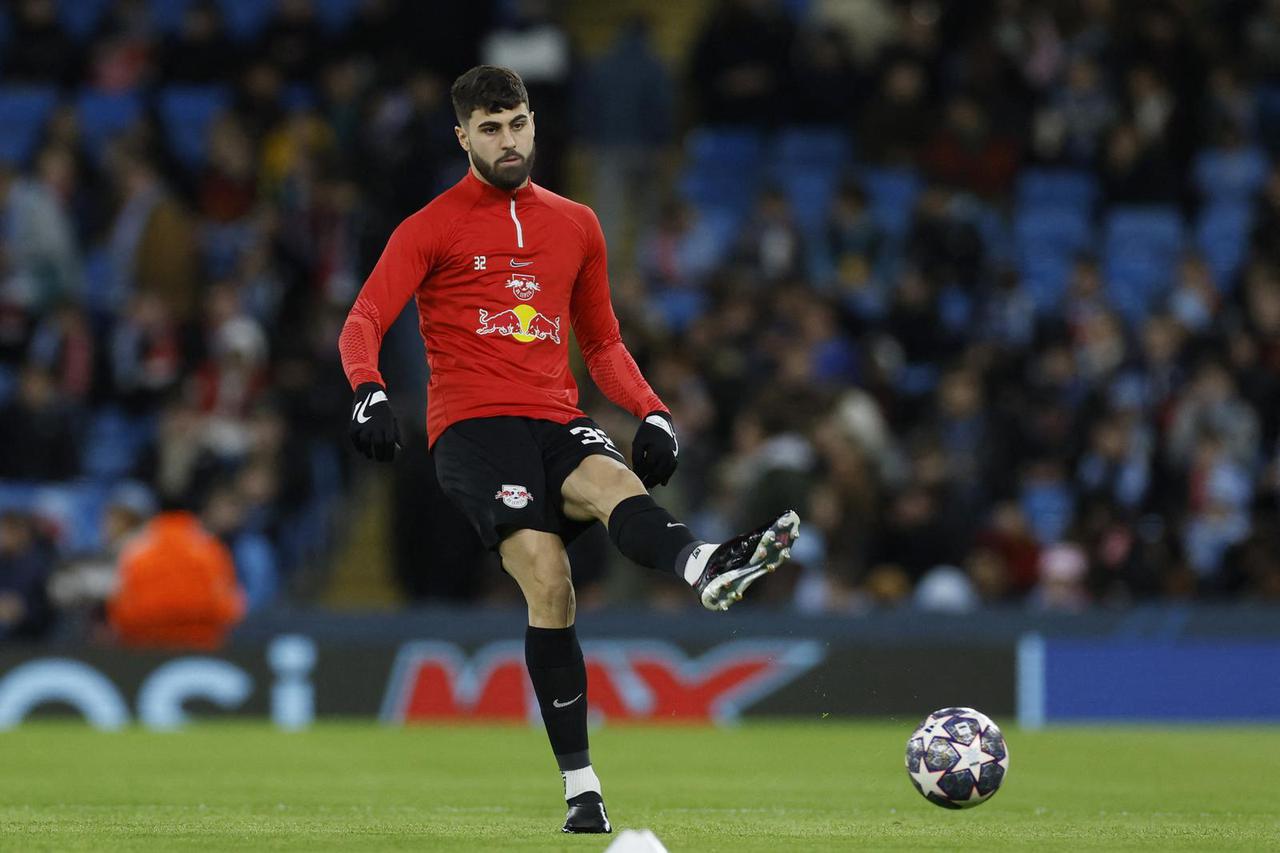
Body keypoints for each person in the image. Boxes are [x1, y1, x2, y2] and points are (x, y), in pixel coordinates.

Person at [338, 65, 799, 835]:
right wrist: (368, 388)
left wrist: (652, 411)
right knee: (549, 582)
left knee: (615, 481)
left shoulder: (577, 224)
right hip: (473, 431)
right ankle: (581, 787)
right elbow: (363, 319)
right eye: (490, 129)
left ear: (534, 124)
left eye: (517, 123)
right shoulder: (430, 226)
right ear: (463, 137)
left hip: (555, 416)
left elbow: (604, 340)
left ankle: (703, 565)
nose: (508, 139)